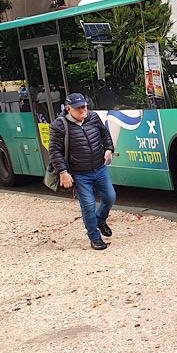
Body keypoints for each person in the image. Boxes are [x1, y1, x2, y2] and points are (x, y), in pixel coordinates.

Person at [49, 93, 116, 250]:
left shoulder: (93, 117)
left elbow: (105, 133)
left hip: (99, 168)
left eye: (84, 106)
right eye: (78, 108)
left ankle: (100, 220)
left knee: (110, 197)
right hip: (79, 173)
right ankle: (94, 237)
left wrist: (109, 148)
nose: (83, 110)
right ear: (68, 109)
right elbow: (54, 151)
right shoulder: (59, 125)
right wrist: (63, 172)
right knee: (88, 205)